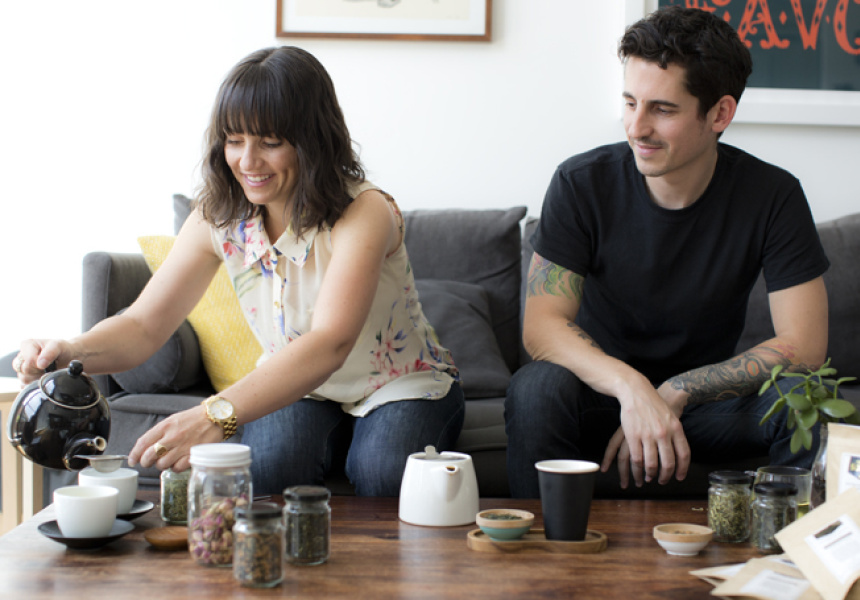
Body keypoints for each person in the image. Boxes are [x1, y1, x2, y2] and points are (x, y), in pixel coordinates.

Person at [12, 46, 464, 496]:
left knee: (383, 471)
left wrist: (215, 413)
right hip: (299, 388)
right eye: (234, 139)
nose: (247, 162)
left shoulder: (364, 210)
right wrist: (70, 351)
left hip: (397, 384)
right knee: (268, 470)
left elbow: (332, 341)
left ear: (313, 139)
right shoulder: (218, 215)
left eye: (270, 142)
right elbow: (143, 326)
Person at [505, 6, 830, 498]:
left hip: (702, 407)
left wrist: (678, 390)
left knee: (804, 398)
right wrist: (632, 388)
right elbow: (541, 327)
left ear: (719, 114)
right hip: (600, 399)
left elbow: (804, 346)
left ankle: (790, 544)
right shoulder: (581, 183)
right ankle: (538, 544)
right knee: (535, 388)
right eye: (630, 102)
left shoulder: (773, 195)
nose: (636, 127)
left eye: (662, 109)